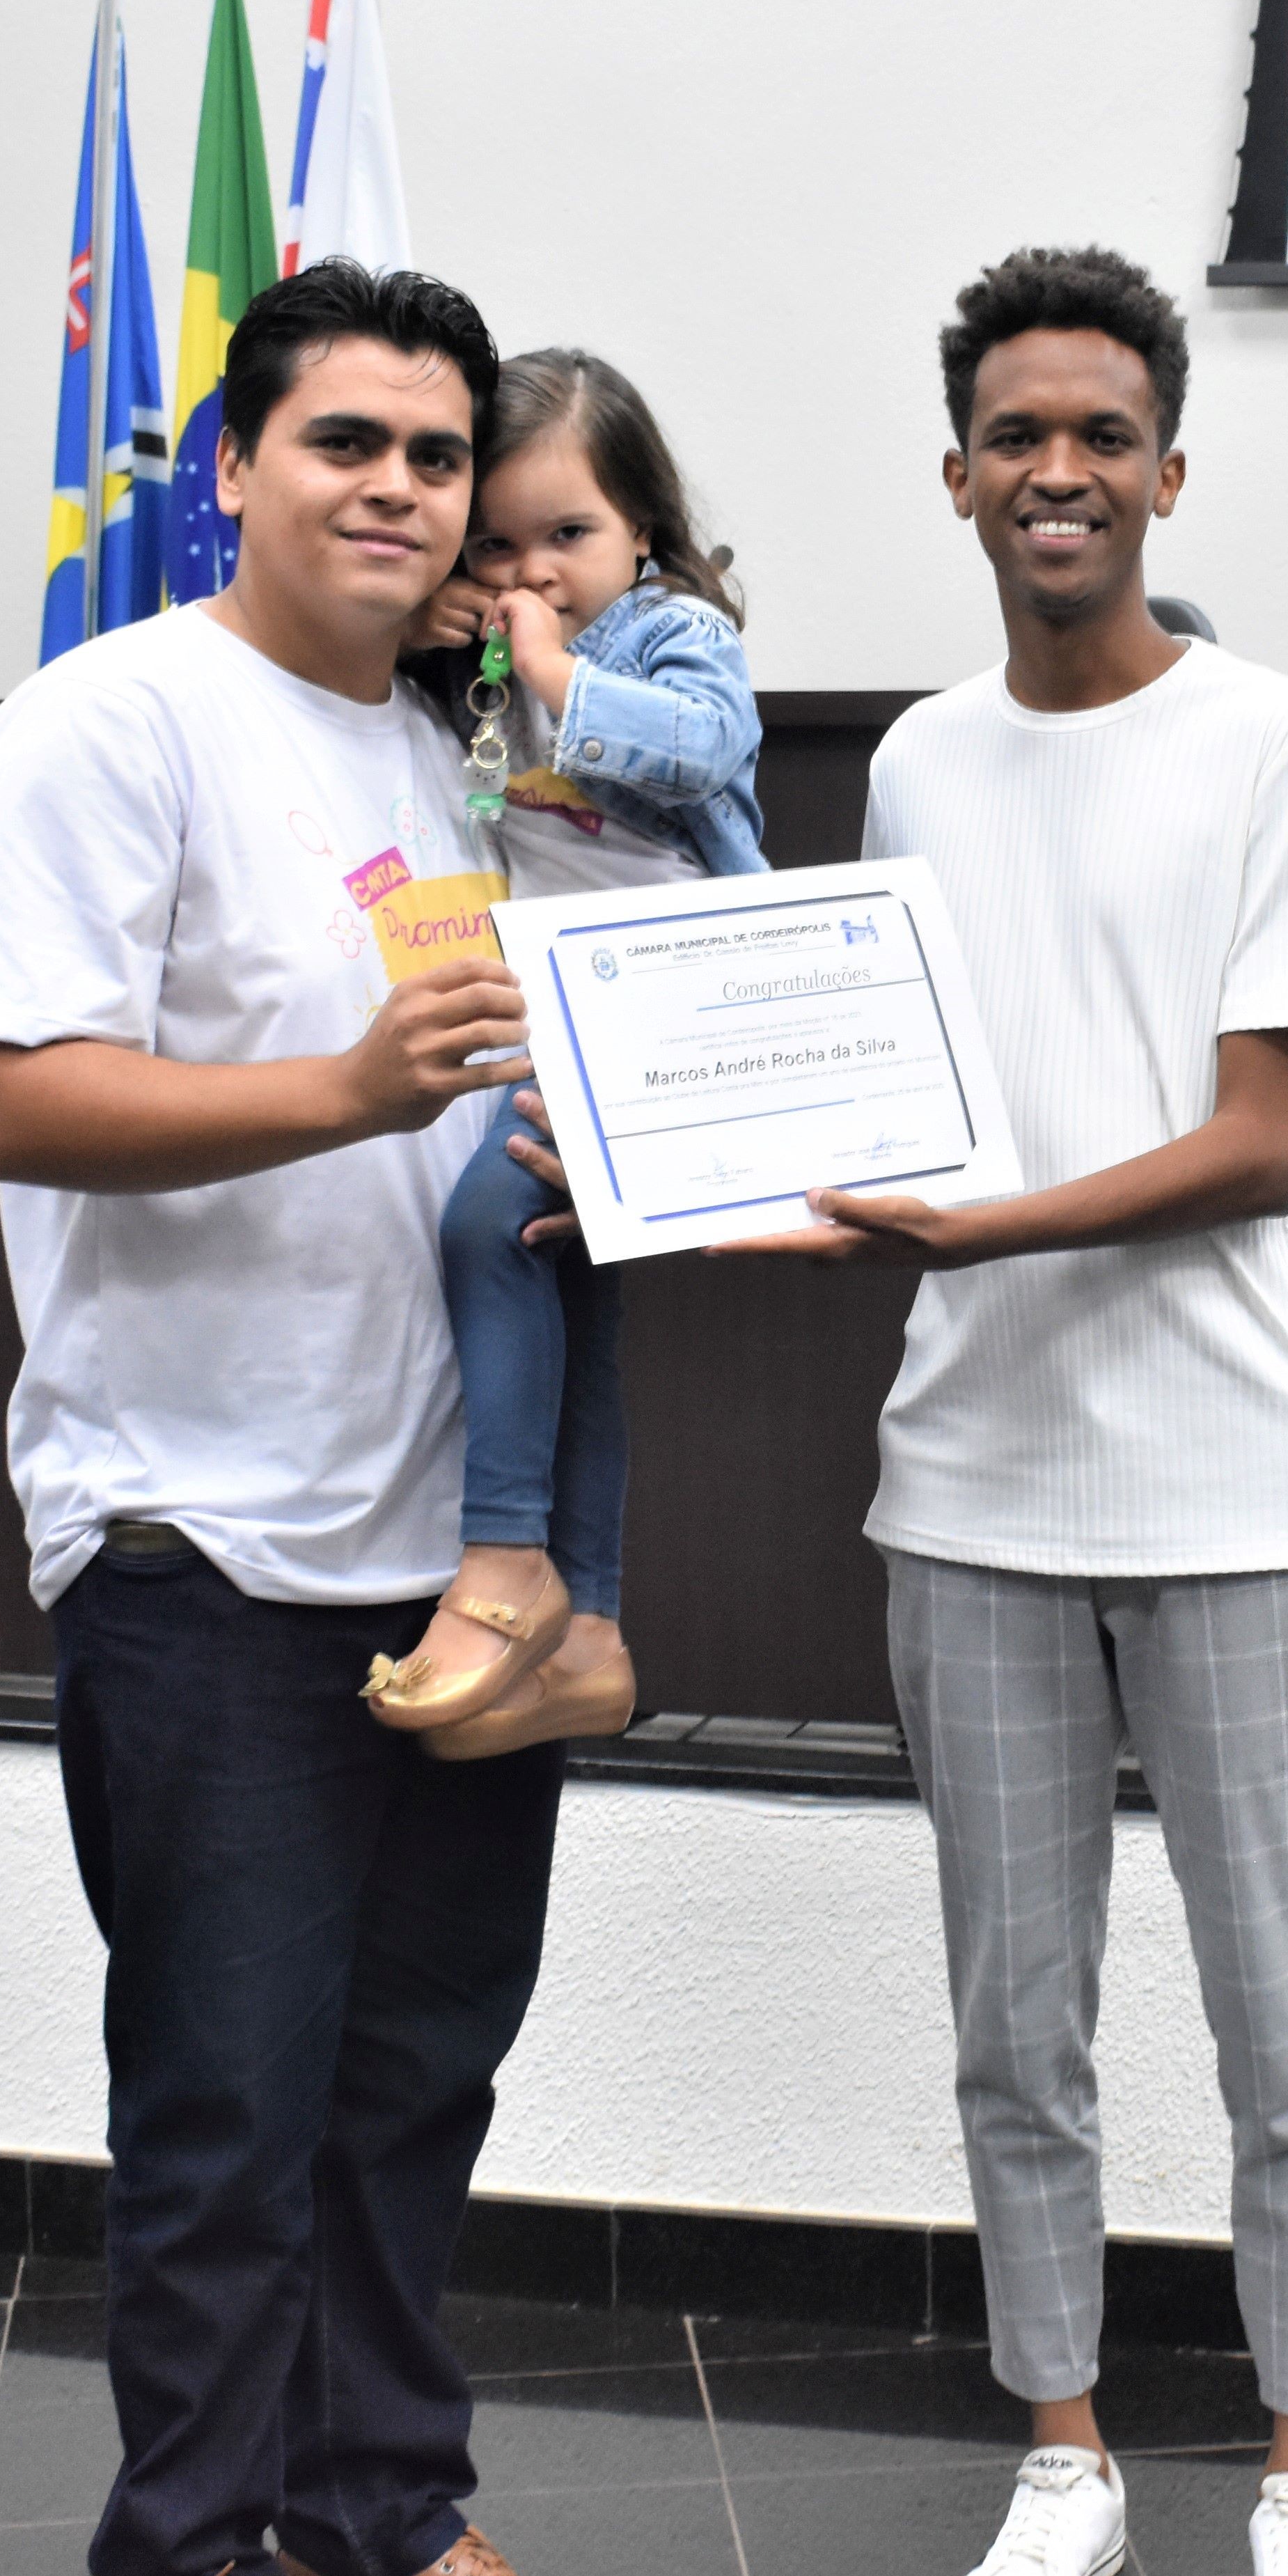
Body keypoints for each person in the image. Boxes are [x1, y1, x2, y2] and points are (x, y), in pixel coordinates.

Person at [720, 247, 1288, 2576]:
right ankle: (1065, 2458)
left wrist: (968, 1231)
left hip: (1245, 1495)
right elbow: (889, 1099)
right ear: (958, 476)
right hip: (972, 1497)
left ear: (1169, 472)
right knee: (1016, 2028)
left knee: (1283, 2025)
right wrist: (693, 1176)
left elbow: (1264, 1145)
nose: (1061, 469)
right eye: (1019, 434)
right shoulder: (920, 760)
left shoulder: (1282, 745)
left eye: (1105, 433)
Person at [0, 258, 554, 2576]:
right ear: (233, 467)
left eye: (437, 455)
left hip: (459, 1560)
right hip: (202, 1545)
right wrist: (344, 1091)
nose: (398, 488)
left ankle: (378, 2512)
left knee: (415, 2090)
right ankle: (187, 2550)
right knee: (227, 2118)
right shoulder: (106, 728)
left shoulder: (465, 756)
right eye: (346, 443)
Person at [360, 349, 767, 1750]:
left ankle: (504, 1556)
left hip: (660, 989)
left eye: (569, 536)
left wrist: (551, 667)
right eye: (497, 546)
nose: (531, 573)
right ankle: (589, 1629)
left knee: (489, 1228)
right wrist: (433, 632)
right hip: (552, 991)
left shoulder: (669, 633)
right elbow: (458, 776)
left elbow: (708, 749)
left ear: (642, 529)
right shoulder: (476, 656)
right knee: (562, 1279)